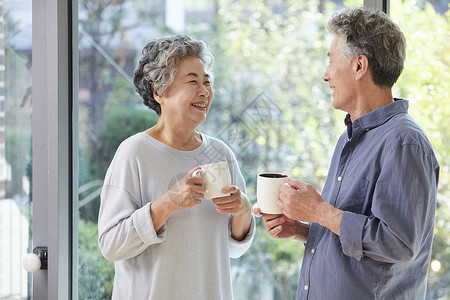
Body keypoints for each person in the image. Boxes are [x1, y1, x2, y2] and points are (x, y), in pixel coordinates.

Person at [255, 7, 439, 299]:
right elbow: (355, 241)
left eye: (331, 61)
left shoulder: (404, 143)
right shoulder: (349, 139)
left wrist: (318, 211)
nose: (325, 75)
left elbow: (399, 244)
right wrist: (305, 229)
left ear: (359, 66)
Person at [98, 34, 255, 299]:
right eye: (193, 81)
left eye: (207, 82)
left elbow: (233, 248)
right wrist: (169, 202)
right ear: (159, 92)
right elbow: (111, 244)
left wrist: (243, 210)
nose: (205, 91)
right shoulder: (134, 153)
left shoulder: (220, 153)